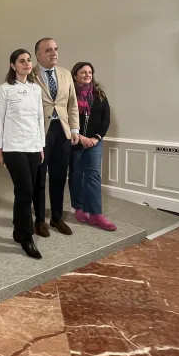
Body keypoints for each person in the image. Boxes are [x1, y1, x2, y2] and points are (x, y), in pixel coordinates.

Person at [0, 49, 45, 259]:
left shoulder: (35, 89)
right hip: (13, 147)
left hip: (33, 147)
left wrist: (41, 147)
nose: (26, 63)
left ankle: (17, 228)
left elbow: (40, 119)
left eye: (28, 60)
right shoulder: (5, 89)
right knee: (25, 191)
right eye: (21, 61)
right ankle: (26, 236)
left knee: (24, 191)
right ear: (13, 65)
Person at [32, 37, 80, 237]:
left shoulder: (66, 74)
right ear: (38, 55)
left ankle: (57, 217)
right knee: (39, 178)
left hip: (62, 131)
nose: (54, 53)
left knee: (59, 177)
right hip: (39, 132)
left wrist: (75, 129)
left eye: (55, 49)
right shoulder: (30, 74)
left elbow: (72, 103)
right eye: (48, 50)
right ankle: (39, 220)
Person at [69, 62, 116, 231]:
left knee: (93, 175)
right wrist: (80, 138)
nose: (87, 75)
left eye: (89, 72)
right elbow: (65, 119)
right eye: (83, 72)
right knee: (76, 175)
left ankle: (96, 214)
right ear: (75, 75)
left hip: (95, 142)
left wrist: (96, 138)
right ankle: (79, 207)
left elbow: (106, 119)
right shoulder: (69, 95)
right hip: (75, 141)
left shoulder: (99, 95)